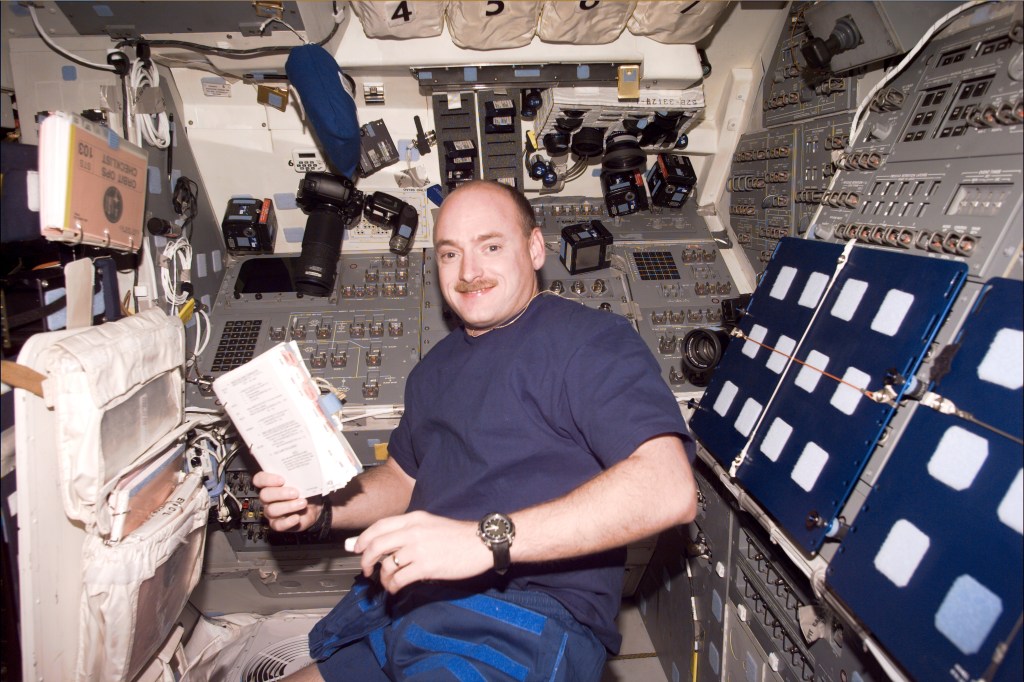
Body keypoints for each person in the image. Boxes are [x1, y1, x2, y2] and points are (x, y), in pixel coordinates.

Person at [255, 179, 698, 681]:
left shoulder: (590, 341)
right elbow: (402, 481)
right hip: (405, 604)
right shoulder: (433, 369)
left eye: (490, 246)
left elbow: (669, 487)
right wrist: (320, 510)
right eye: (450, 254)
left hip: (523, 615)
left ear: (534, 249)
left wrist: (485, 541)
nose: (469, 272)